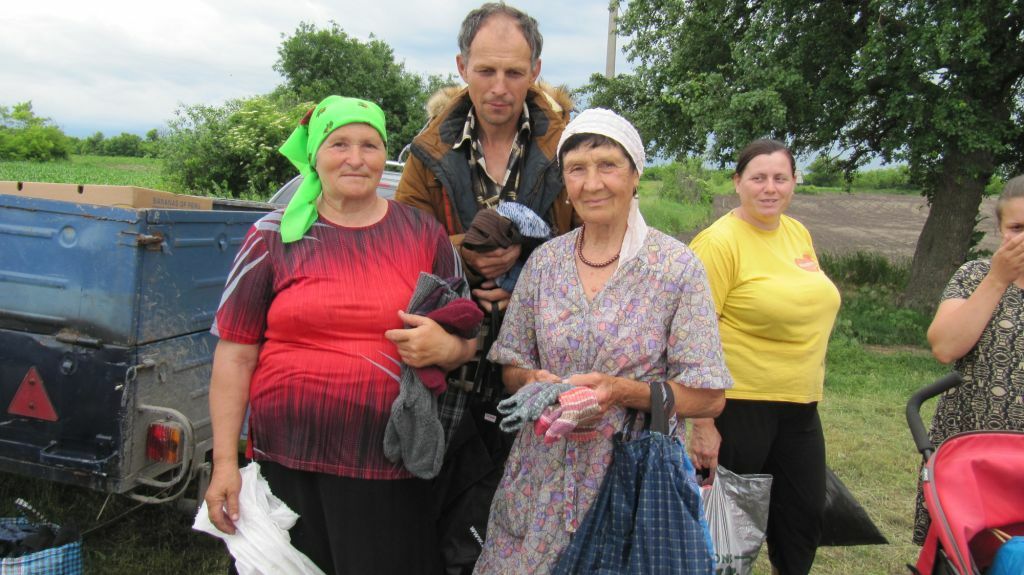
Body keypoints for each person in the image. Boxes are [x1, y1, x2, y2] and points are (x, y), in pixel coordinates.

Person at [202, 95, 477, 575]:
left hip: (387, 463)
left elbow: (467, 335)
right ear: (314, 155)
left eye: (370, 145)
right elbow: (236, 354)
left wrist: (449, 347)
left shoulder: (422, 232)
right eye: (339, 144)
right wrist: (224, 463)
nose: (356, 158)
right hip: (288, 460)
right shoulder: (272, 236)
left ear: (385, 154)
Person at [472, 108, 732, 574]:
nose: (592, 183)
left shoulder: (675, 269)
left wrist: (618, 392)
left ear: (635, 175)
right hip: (540, 480)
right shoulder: (545, 263)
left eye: (608, 165)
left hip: (629, 481)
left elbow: (709, 397)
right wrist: (533, 383)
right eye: (577, 169)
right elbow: (511, 365)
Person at [688, 139, 841, 575]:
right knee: (726, 533)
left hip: (800, 405)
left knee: (802, 520)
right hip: (738, 406)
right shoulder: (718, 243)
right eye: (758, 178)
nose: (770, 188)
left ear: (793, 183)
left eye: (780, 178)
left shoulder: (797, 233)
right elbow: (693, 335)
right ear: (737, 182)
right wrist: (703, 423)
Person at [396, 2, 576, 314]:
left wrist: (528, 288)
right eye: (486, 71)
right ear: (462, 67)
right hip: (453, 334)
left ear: (535, 71)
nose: (499, 87)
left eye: (514, 73)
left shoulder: (571, 149)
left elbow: (603, 245)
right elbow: (403, 247)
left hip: (547, 330)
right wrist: (464, 254)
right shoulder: (427, 152)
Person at [913, 175, 1024, 544]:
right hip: (974, 452)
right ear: (1000, 230)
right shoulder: (975, 275)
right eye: (1017, 228)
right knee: (967, 551)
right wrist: (998, 280)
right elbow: (945, 347)